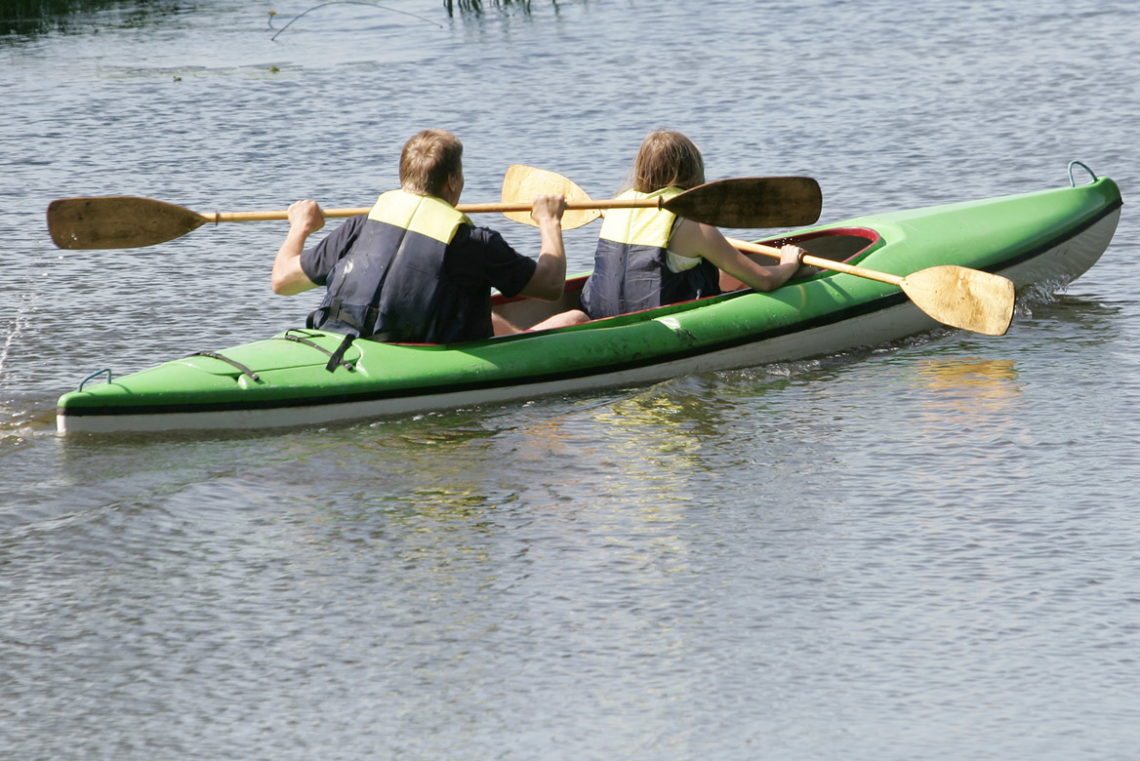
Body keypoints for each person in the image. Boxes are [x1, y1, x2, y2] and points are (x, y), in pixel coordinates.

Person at [271, 128, 578, 343]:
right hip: (416, 351)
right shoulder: (474, 242)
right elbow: (550, 286)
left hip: (344, 340)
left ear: (403, 176)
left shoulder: (360, 226)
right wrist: (549, 222)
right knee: (574, 319)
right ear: (453, 182)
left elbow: (283, 280)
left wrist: (300, 226)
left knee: (492, 318)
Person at [579, 130, 807, 319]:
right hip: (661, 322)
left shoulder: (618, 208)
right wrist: (788, 263)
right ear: (693, 169)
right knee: (787, 273)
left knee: (722, 270)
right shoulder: (692, 223)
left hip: (603, 316)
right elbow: (765, 282)